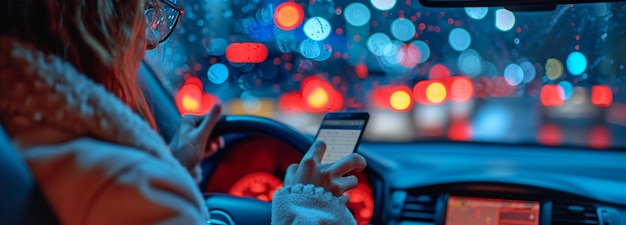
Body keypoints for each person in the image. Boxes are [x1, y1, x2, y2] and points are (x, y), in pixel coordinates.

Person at [0, 0, 367, 224]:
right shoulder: (117, 181)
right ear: (98, 27)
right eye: (143, 10)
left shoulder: (23, 140)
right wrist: (309, 206)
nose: (146, 40)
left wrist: (171, 166)